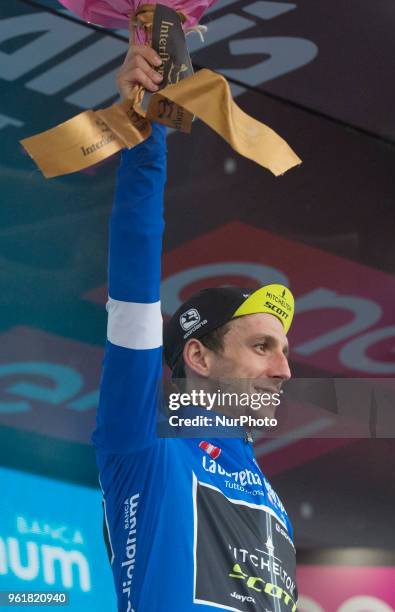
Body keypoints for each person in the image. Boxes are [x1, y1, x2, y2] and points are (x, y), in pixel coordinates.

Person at [92, 42, 298, 612]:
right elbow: (133, 284)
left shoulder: (275, 504)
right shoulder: (148, 439)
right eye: (261, 346)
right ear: (199, 358)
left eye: (282, 351)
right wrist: (148, 133)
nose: (283, 370)